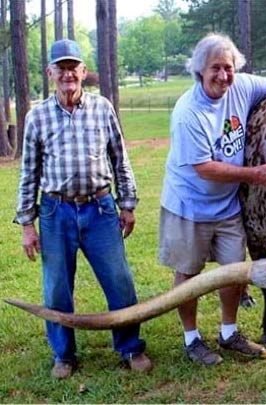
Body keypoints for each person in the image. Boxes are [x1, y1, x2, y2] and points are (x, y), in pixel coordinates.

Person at [159, 33, 266, 366]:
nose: (223, 76)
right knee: (188, 273)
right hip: (190, 204)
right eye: (216, 68)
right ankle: (192, 339)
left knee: (235, 271)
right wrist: (255, 174)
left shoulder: (239, 86)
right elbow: (204, 168)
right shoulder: (188, 113)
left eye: (228, 67)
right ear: (200, 70)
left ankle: (228, 333)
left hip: (226, 205)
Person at [14, 39, 153, 379]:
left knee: (119, 280)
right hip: (54, 212)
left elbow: (121, 159)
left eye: (73, 67)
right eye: (60, 68)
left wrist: (128, 204)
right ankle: (64, 355)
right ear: (50, 73)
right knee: (57, 286)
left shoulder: (102, 108)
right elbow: (28, 172)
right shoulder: (37, 117)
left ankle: (130, 347)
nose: (67, 74)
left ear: (84, 71)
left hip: (101, 209)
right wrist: (27, 224)